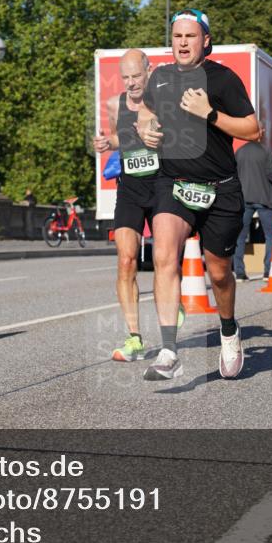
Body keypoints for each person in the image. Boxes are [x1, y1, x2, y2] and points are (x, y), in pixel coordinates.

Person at [135, 9, 260, 380]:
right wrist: (144, 127)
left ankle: (228, 330)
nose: (183, 43)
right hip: (173, 183)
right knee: (163, 255)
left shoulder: (222, 79)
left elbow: (253, 129)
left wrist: (209, 114)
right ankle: (170, 350)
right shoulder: (160, 78)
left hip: (220, 189)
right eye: (177, 37)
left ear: (206, 40)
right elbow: (144, 110)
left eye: (190, 36)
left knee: (219, 274)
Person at [92, 49, 164, 362]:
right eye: (126, 77)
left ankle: (171, 304)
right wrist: (109, 144)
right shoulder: (114, 105)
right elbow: (121, 139)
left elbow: (184, 140)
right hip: (130, 189)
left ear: (149, 70)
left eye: (136, 75)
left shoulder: (165, 103)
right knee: (126, 260)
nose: (131, 83)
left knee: (164, 260)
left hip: (162, 186)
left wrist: (159, 139)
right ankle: (134, 337)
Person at [233, 135, 272, 282]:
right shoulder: (265, 151)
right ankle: (268, 271)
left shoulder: (239, 152)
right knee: (271, 235)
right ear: (260, 134)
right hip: (264, 198)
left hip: (244, 198)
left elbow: (234, 174)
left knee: (240, 236)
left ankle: (239, 272)